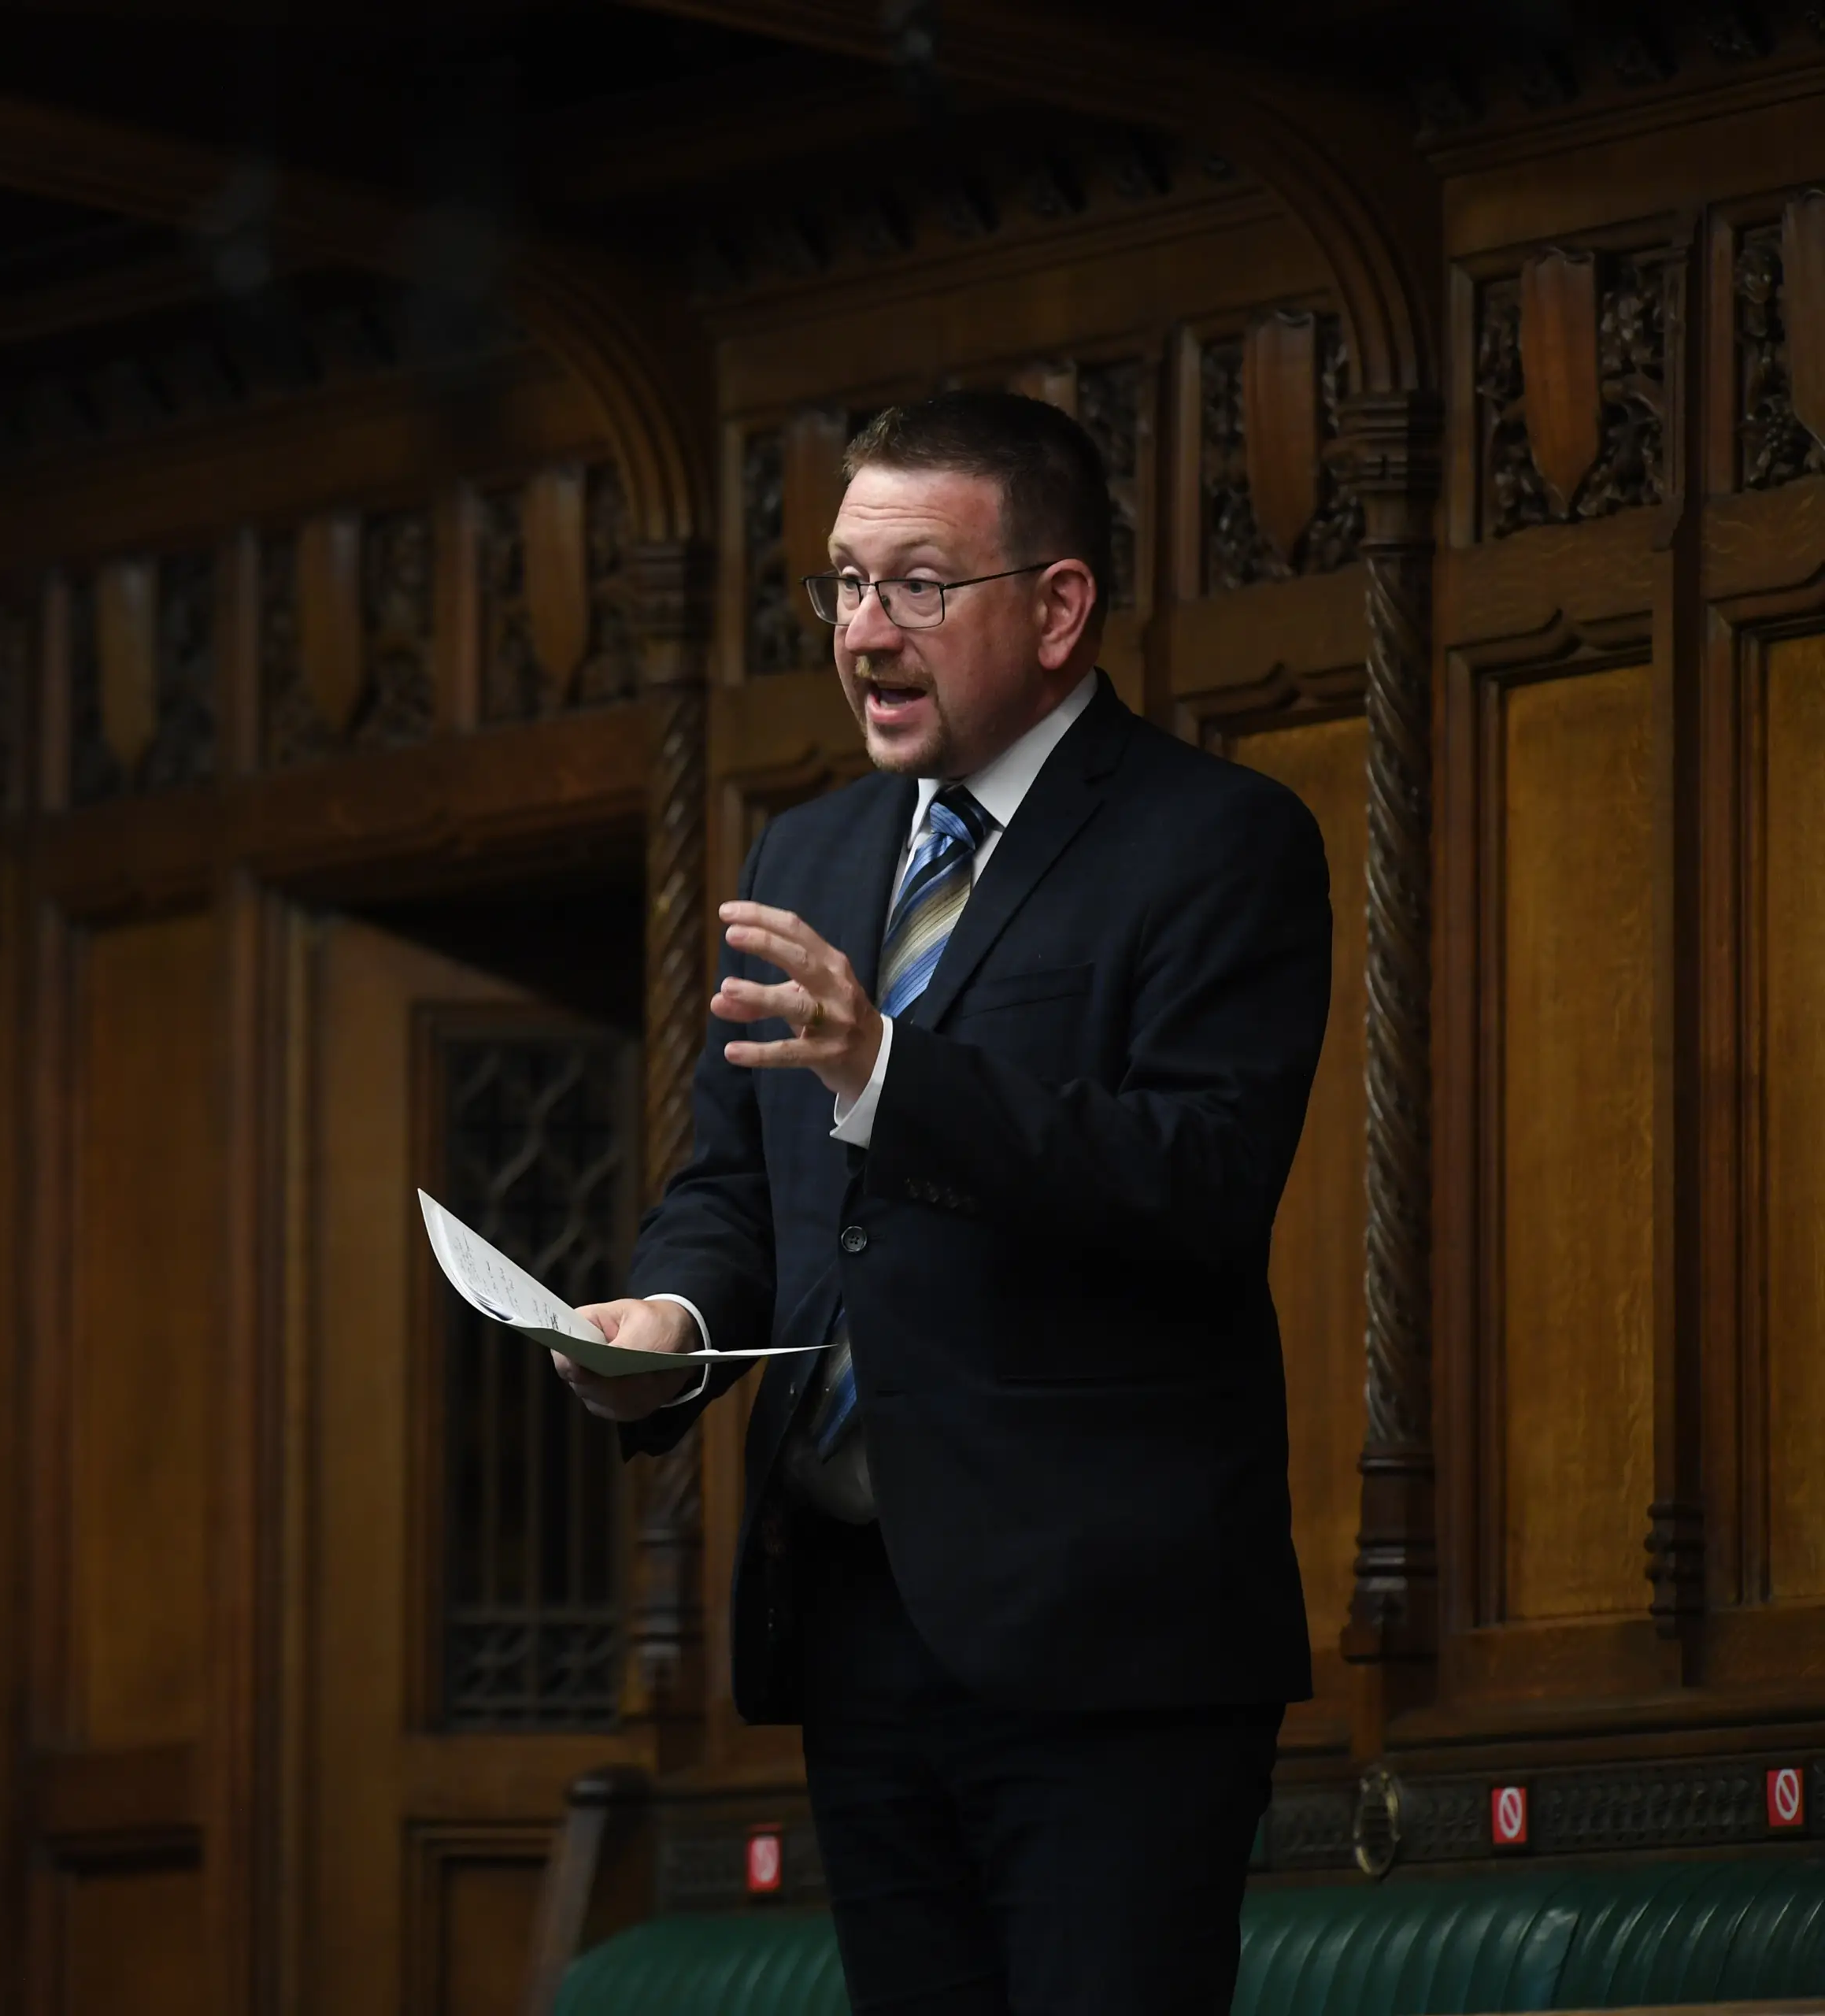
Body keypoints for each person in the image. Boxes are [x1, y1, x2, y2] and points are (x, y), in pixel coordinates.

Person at [558, 389, 1331, 2015]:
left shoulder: (1219, 842)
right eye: (846, 584)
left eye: (917, 585)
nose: (864, 633)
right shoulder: (810, 855)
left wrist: (892, 1072)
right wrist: (666, 1322)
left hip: (1110, 1645)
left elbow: (1196, 1179)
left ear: (1057, 609)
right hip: (859, 1620)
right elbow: (738, 1185)